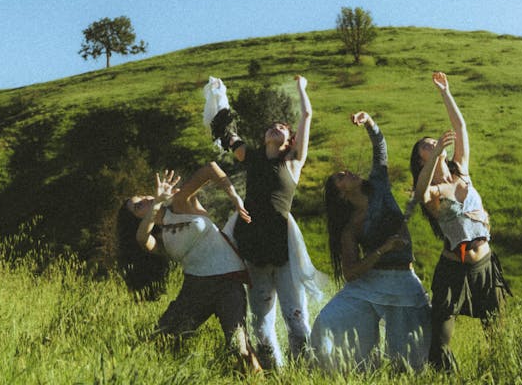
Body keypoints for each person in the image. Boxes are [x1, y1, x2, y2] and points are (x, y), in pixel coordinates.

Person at [208, 74, 322, 368]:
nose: (276, 128)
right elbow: (224, 133)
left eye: (283, 128)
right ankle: (274, 372)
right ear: (264, 138)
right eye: (272, 127)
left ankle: (305, 372)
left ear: (290, 141)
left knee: (296, 317)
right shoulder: (252, 156)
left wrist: (301, 88)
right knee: (261, 322)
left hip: (283, 250)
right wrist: (220, 95)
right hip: (253, 247)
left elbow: (307, 115)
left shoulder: (293, 163)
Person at [311, 111, 430, 372]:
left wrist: (369, 122)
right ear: (341, 196)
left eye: (342, 172)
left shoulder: (379, 187)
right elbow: (351, 273)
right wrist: (383, 250)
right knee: (329, 320)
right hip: (371, 282)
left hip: (403, 280)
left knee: (407, 359)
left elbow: (380, 149)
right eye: (340, 177)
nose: (347, 172)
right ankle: (345, 371)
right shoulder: (350, 228)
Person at [116, 163, 261, 374]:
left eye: (143, 197)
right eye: (138, 206)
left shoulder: (181, 204)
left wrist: (234, 197)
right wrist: (156, 204)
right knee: (161, 340)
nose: (145, 200)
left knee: (240, 350)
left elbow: (210, 169)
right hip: (195, 290)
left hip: (229, 283)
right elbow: (141, 238)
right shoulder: (160, 239)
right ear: (137, 219)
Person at [408, 71, 510, 371]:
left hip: (485, 264)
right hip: (453, 270)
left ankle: (498, 373)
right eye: (426, 145)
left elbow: (461, 126)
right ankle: (445, 377)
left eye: (434, 141)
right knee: (440, 340)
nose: (434, 142)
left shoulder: (462, 170)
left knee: (497, 332)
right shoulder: (432, 191)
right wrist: (436, 153)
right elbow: (421, 191)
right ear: (421, 160)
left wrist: (445, 92)